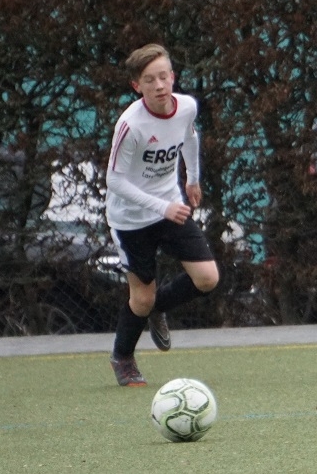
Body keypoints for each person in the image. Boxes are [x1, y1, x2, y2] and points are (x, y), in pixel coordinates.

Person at [105, 43, 219, 387]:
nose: (159, 85)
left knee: (207, 278)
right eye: (149, 80)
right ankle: (123, 357)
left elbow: (190, 137)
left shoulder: (186, 107)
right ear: (136, 86)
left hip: (170, 207)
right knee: (140, 299)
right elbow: (114, 181)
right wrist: (161, 206)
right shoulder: (131, 125)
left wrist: (192, 178)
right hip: (131, 220)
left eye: (163, 76)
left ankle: (159, 308)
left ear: (173, 76)